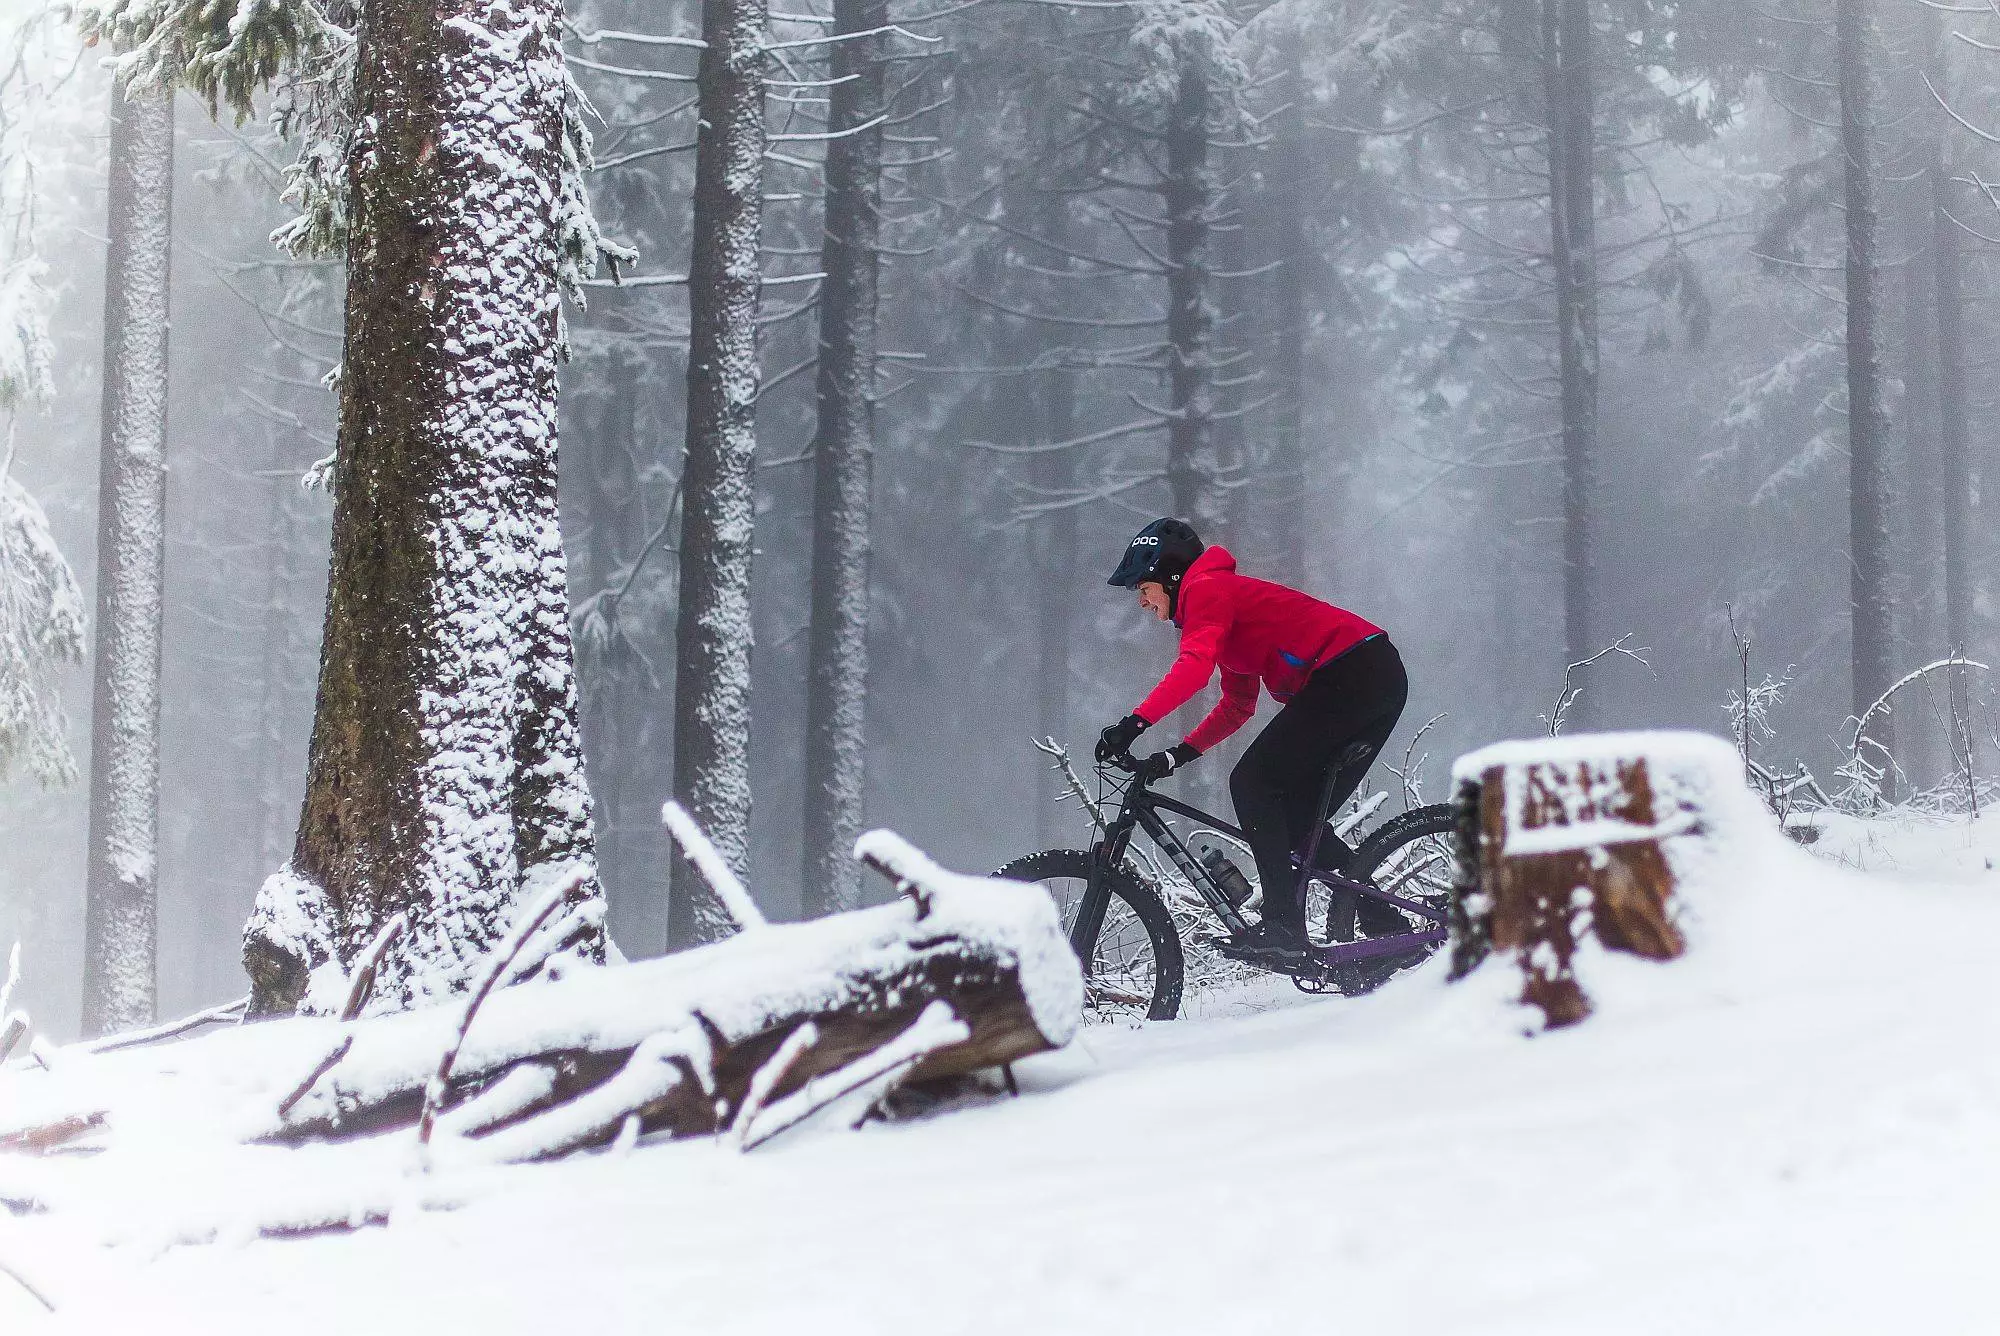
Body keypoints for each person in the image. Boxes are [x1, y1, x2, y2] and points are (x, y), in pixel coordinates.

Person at [1095, 518, 1408, 959]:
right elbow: (1237, 705)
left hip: (1355, 672)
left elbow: (1194, 667)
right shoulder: (1219, 605)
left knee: (1252, 783)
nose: (1142, 601)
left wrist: (1135, 724)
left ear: (1170, 576)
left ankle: (1283, 926)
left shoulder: (1206, 590)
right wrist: (1176, 756)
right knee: (1296, 824)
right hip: (1371, 677)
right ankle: (1388, 927)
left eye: (1143, 588)